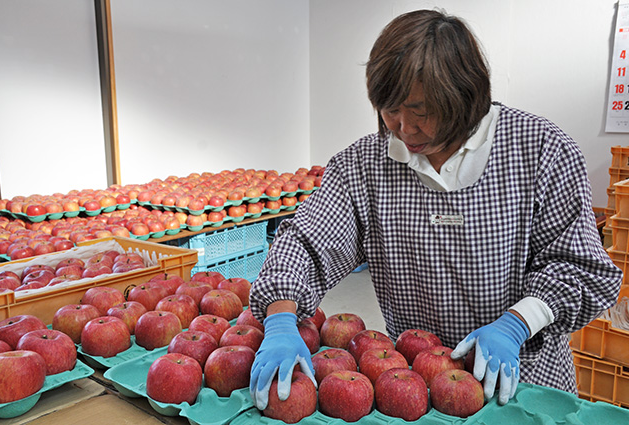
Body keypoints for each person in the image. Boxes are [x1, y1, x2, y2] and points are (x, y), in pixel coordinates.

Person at [248, 9, 622, 410]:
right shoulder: (364, 166)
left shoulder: (541, 151)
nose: (405, 129)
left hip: (521, 384)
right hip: (415, 392)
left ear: (464, 96)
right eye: (390, 110)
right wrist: (281, 318)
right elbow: (307, 242)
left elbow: (579, 267)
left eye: (422, 112)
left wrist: (517, 324)